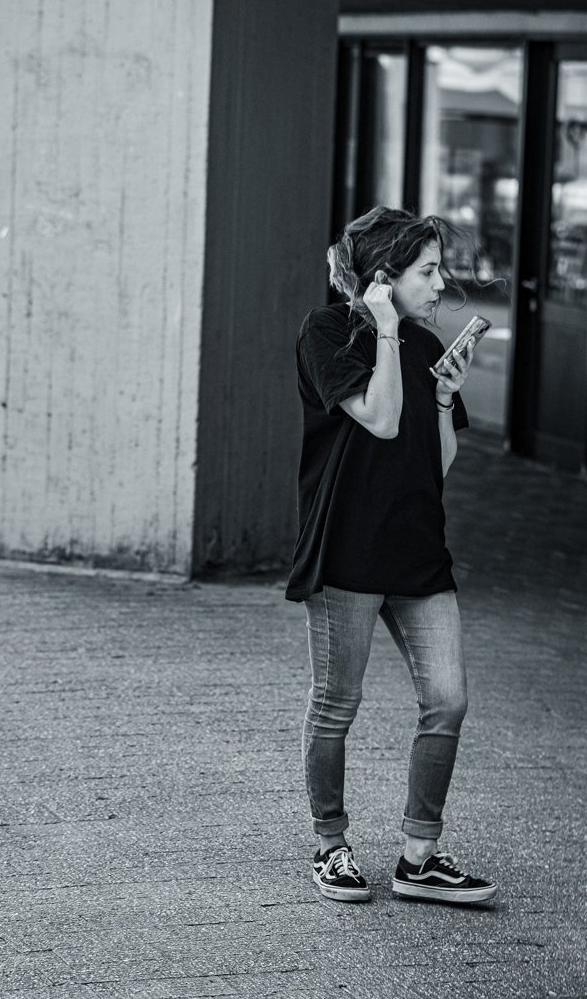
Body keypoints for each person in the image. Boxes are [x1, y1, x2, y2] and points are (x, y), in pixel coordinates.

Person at [286, 206, 497, 906]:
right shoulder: (327, 332)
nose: (441, 285)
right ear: (384, 278)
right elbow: (376, 417)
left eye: (440, 270)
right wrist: (381, 327)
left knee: (448, 700)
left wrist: (443, 399)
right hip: (347, 548)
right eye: (428, 271)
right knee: (336, 705)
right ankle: (331, 846)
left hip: (417, 553)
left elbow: (435, 464)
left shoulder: (421, 341)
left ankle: (419, 856)